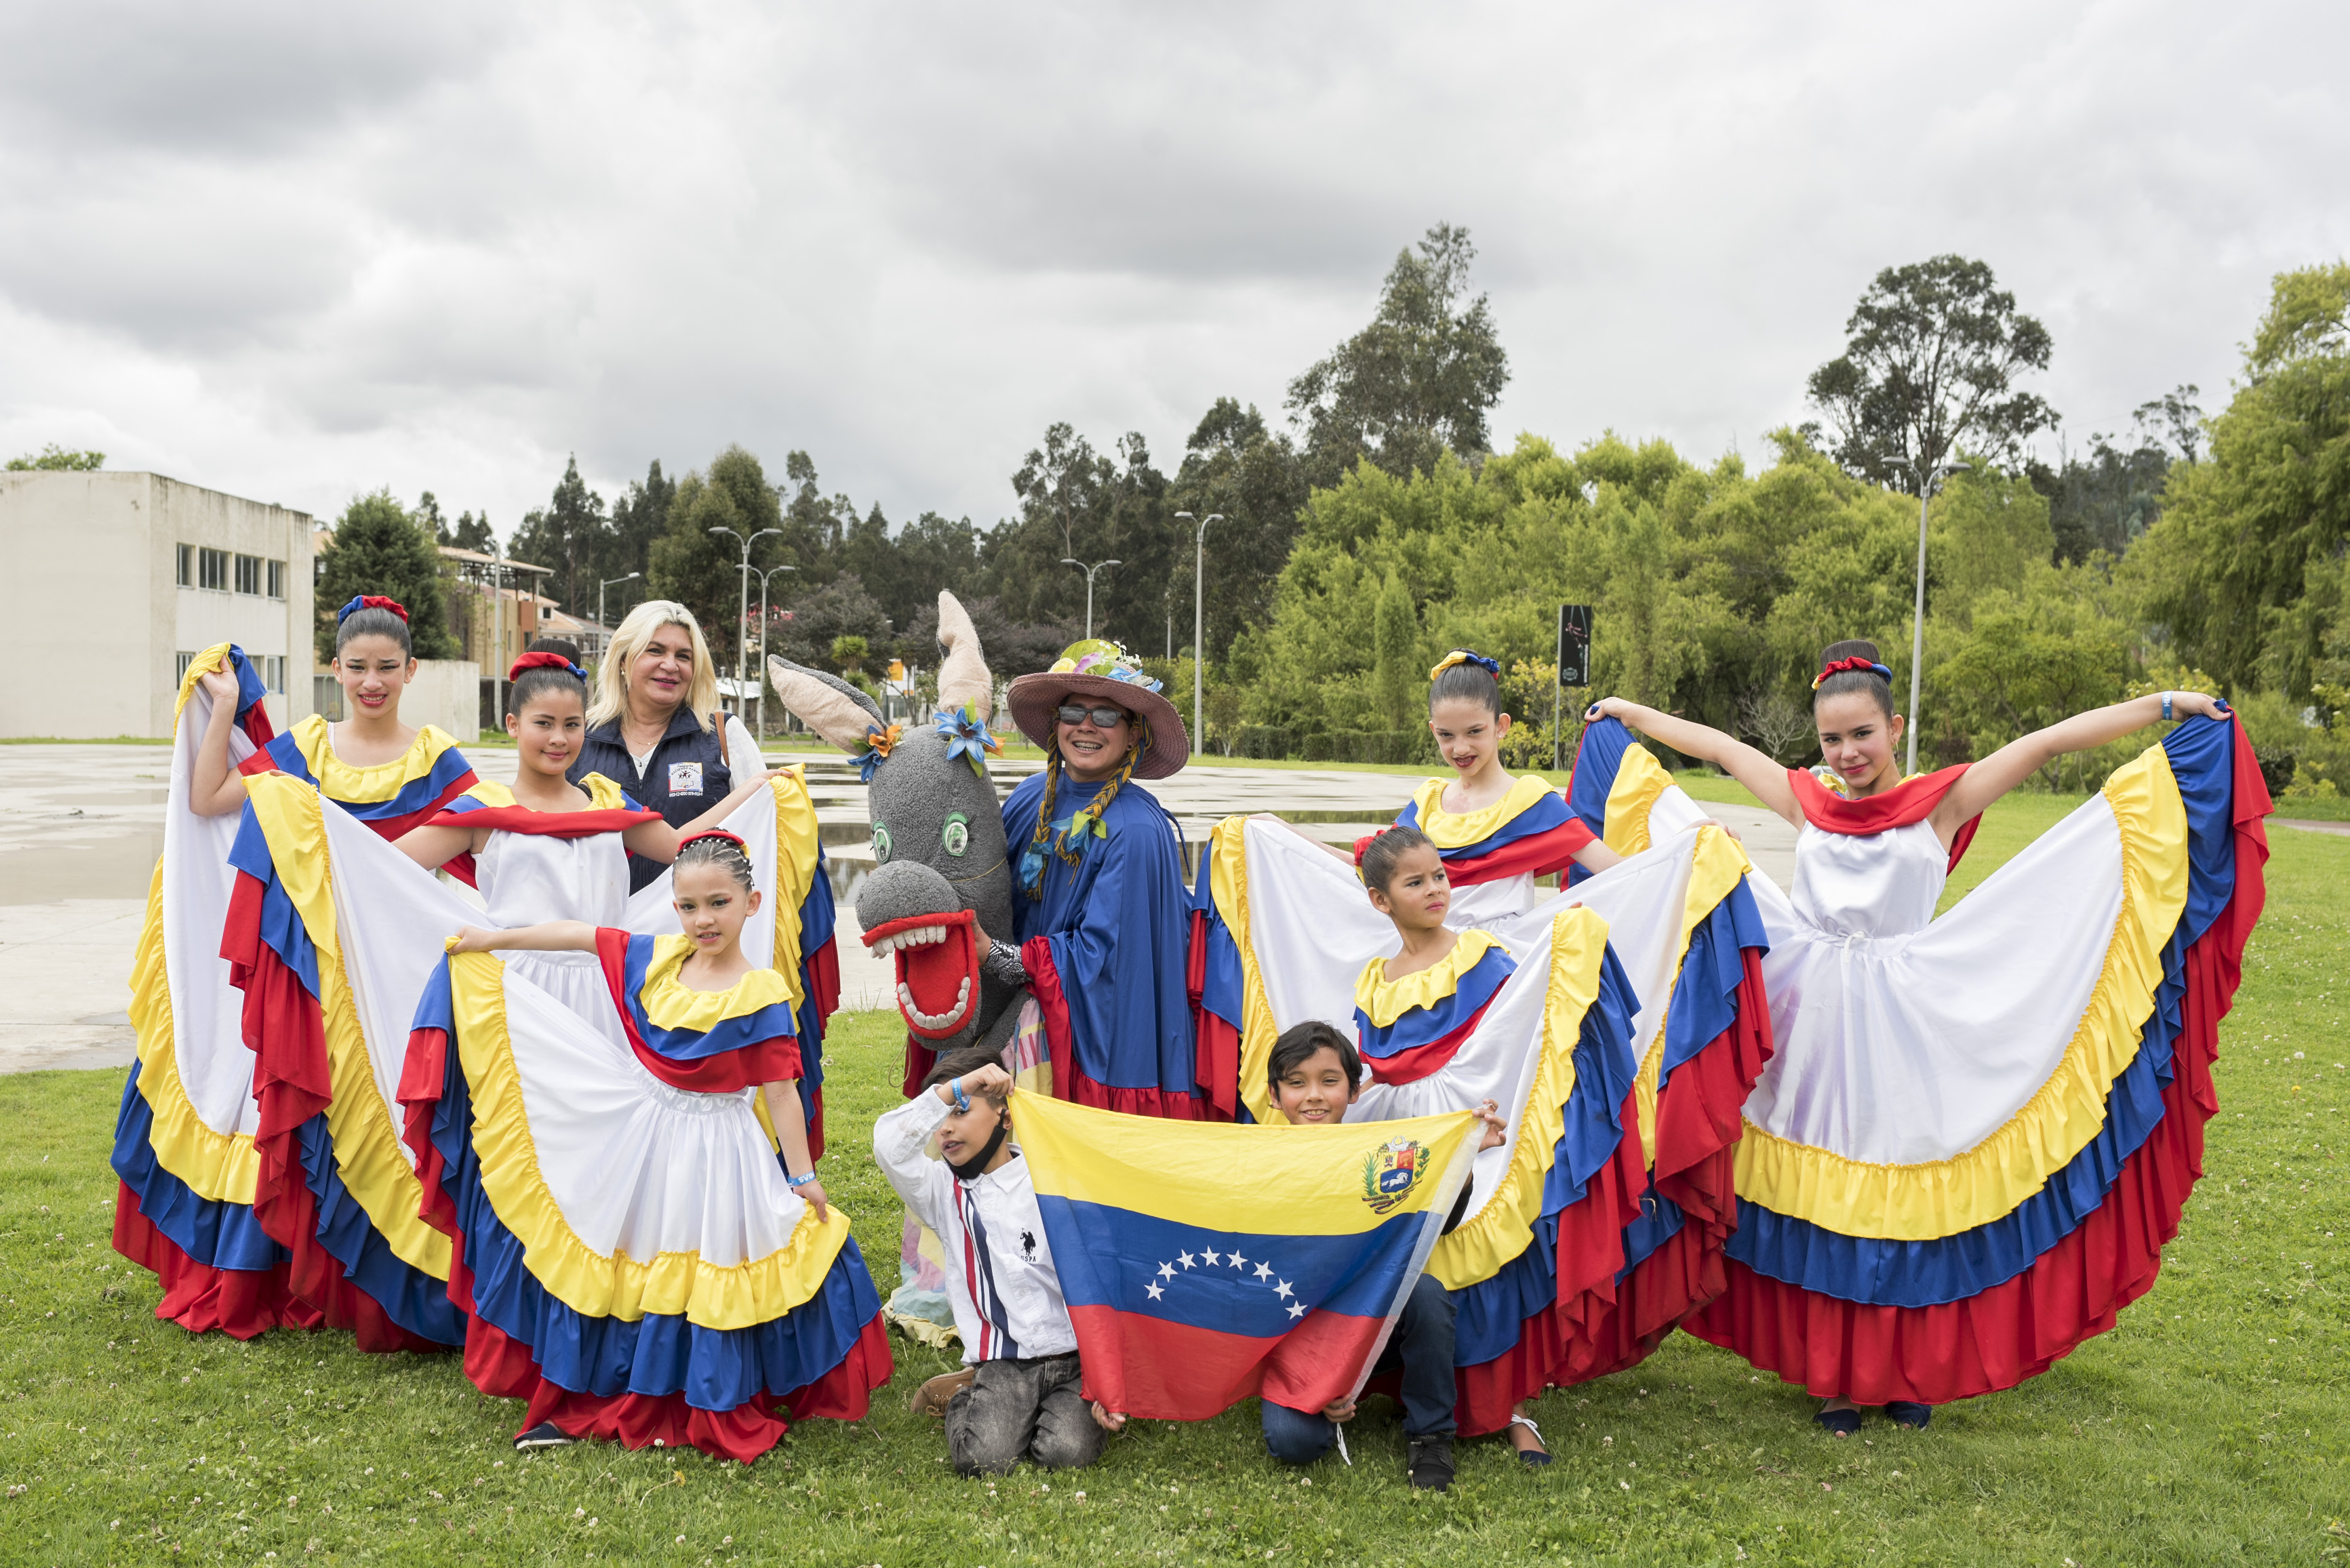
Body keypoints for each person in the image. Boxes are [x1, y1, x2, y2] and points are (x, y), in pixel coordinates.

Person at [1591, 639, 2246, 1435]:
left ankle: (1901, 1368)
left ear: (1893, 727)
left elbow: (2043, 744)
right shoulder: (1807, 801)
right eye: (1832, 739)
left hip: (1902, 1017)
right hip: (1812, 1016)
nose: (1848, 753)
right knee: (1827, 1198)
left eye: (1862, 734)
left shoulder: (1941, 802)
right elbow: (1722, 749)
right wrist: (1628, 716)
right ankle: (1834, 1376)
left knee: (1898, 1186)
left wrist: (2165, 708)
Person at [437, 829, 858, 1455]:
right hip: (647, 1135)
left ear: (751, 901)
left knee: (703, 1261)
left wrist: (801, 1178)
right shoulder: (660, 958)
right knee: (632, 1250)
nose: (703, 919)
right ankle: (616, 1387)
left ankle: (702, 1392)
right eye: (688, 906)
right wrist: (495, 939)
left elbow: (780, 1092)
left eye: (718, 902)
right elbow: (581, 934)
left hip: (719, 1149)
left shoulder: (761, 991)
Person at [396, 651, 782, 1020]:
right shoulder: (483, 810)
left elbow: (677, 846)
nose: (559, 739)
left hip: (606, 986)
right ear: (513, 724)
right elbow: (386, 865)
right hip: (515, 992)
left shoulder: (607, 802)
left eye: (572, 724)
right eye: (543, 723)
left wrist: (749, 789)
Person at [1256, 1021, 1509, 1491]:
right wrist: (1317, 1377)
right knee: (1296, 1444)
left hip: (1372, 1325)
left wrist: (1465, 1158)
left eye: (1329, 1080)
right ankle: (1315, 1398)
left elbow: (1433, 1224)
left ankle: (1430, 1434)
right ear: (1274, 1094)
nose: (1313, 1095)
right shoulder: (1255, 1167)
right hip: (1299, 1333)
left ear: (1354, 1091)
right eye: (1296, 1082)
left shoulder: (1381, 1158)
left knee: (1427, 1292)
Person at [872, 1047, 1121, 1476]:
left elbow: (1100, 1278)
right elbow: (889, 1145)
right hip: (1006, 1362)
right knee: (984, 1460)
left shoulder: (1050, 1180)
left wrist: (1108, 1377)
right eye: (941, 1118)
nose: (946, 1129)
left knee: (1065, 1453)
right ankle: (965, 1395)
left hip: (1075, 1362)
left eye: (962, 1112)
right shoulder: (940, 1191)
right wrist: (957, 1090)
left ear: (1006, 1117)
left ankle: (1035, 1409)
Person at [995, 641, 1201, 1116]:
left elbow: (1104, 960)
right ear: (1055, 724)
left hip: (1093, 1038)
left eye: (1107, 715)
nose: (1087, 726)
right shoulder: (1028, 798)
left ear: (1134, 735)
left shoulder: (1138, 829)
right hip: (1013, 1013)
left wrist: (997, 956)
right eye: (1074, 711)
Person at [191, 595, 476, 828]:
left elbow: (493, 835)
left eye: (387, 667)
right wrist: (226, 702)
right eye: (357, 667)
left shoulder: (435, 759)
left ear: (409, 669)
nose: (372, 682)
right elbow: (207, 800)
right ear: (338, 670)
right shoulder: (308, 746)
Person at [1394, 651, 1624, 931]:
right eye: (1447, 735)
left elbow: (1617, 870)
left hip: (1504, 961)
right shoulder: (1427, 803)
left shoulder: (1528, 800)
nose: (1461, 748)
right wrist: (1321, 853)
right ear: (1433, 731)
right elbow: (1373, 864)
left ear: (1501, 726)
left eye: (1474, 732)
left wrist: (1685, 845)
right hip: (1433, 960)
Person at [572, 600, 769, 892]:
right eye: (655, 650)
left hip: (697, 930)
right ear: (624, 660)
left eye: (684, 656)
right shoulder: (579, 735)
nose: (670, 665)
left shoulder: (725, 734)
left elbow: (763, 835)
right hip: (601, 931)